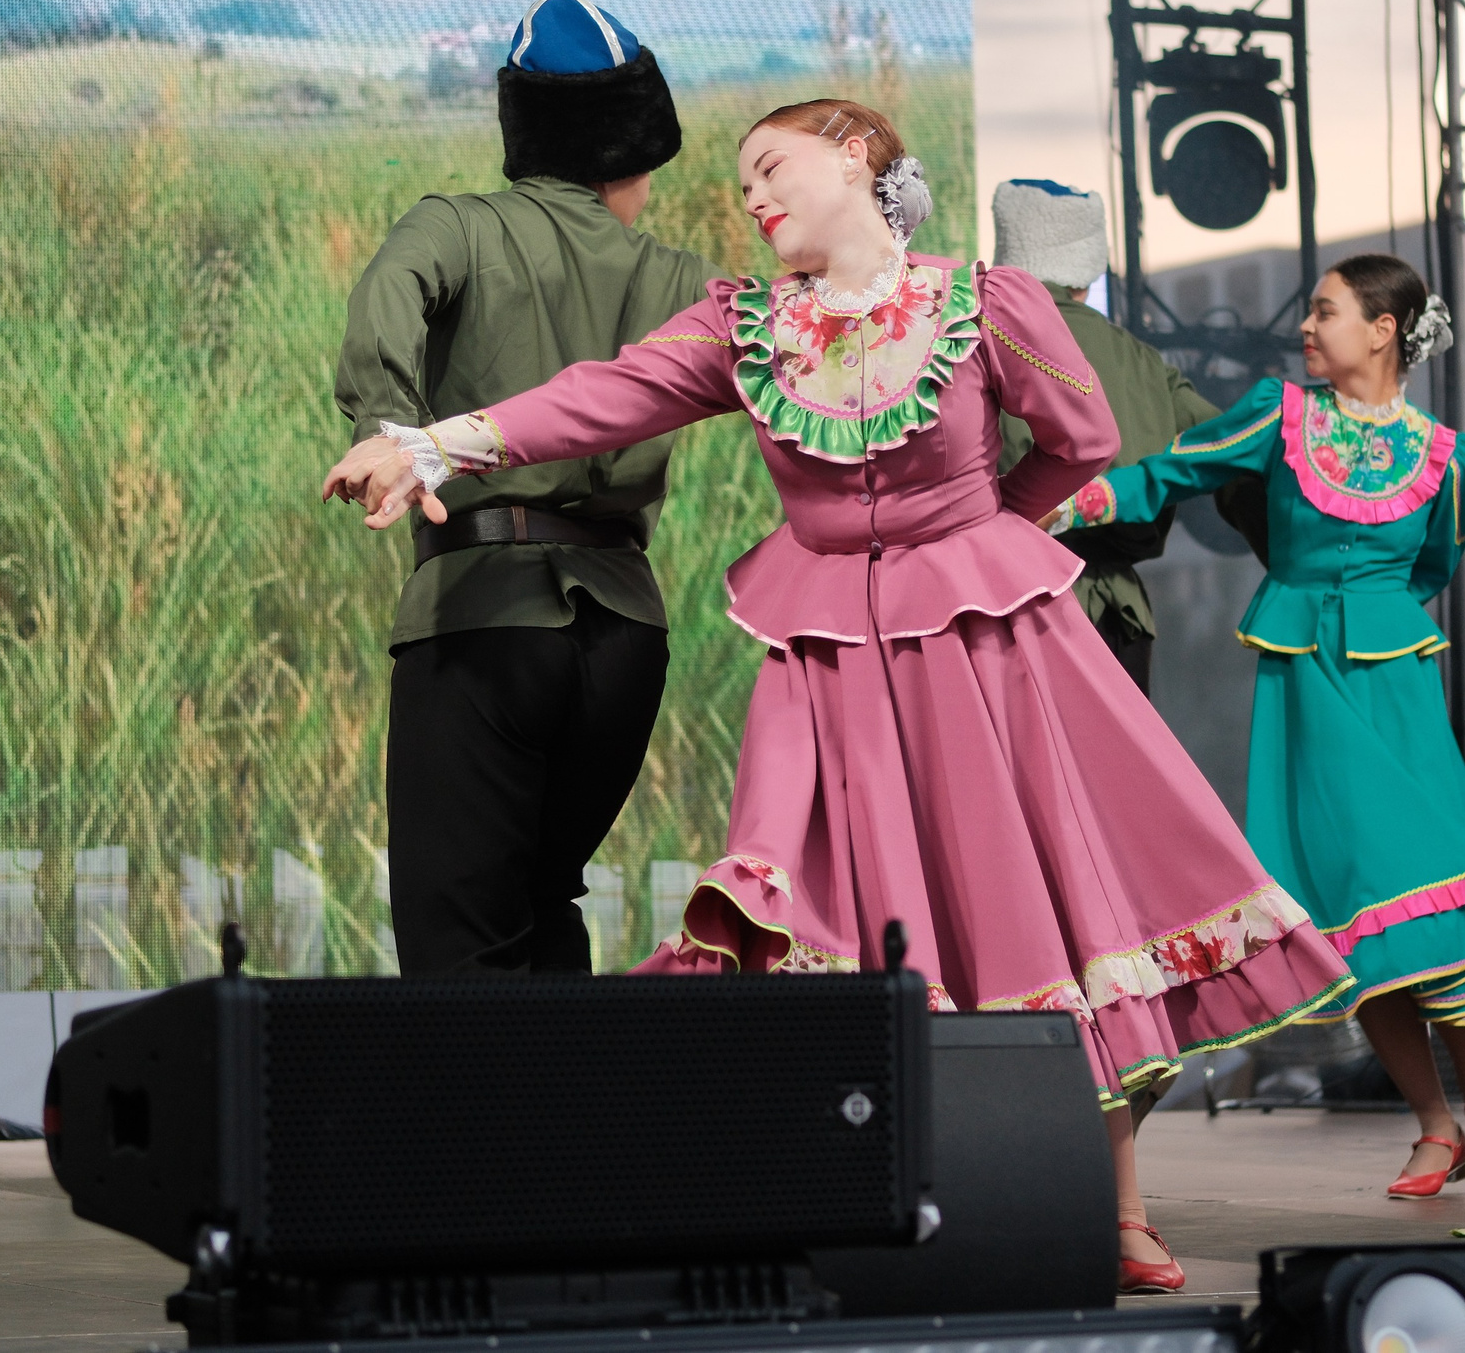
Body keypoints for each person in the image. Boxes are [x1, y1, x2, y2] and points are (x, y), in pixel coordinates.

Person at [326, 97, 1360, 1294]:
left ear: (860, 158)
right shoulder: (747, 326)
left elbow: (1076, 441)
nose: (752, 196)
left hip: (990, 653)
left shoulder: (984, 304)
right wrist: (438, 445)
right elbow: (602, 395)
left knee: (1040, 902)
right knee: (814, 912)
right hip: (828, 666)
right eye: (742, 182)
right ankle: (852, 1200)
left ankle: (1115, 1206)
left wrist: (975, 541)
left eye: (771, 167)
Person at [1064, 252, 1465, 1200]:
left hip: (1393, 689)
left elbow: (1432, 564)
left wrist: (1361, 611)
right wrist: (1072, 504)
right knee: (1346, 915)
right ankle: (1432, 1123)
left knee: (1431, 883)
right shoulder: (1277, 414)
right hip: (1303, 688)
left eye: (1327, 311)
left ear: (1383, 329)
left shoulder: (1451, 458)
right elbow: (1172, 473)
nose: (1308, 325)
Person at [333, 0, 716, 976]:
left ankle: (482, 1134)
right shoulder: (679, 274)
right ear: (636, 153)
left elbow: (388, 300)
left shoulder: (455, 227)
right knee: (551, 904)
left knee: (459, 927)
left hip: (482, 615)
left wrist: (394, 431)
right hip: (627, 635)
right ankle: (566, 1129)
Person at [989, 179, 1223, 694]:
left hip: (1008, 608)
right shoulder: (1142, 360)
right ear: (1089, 264)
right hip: (1121, 617)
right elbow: (1230, 444)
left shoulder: (979, 339)